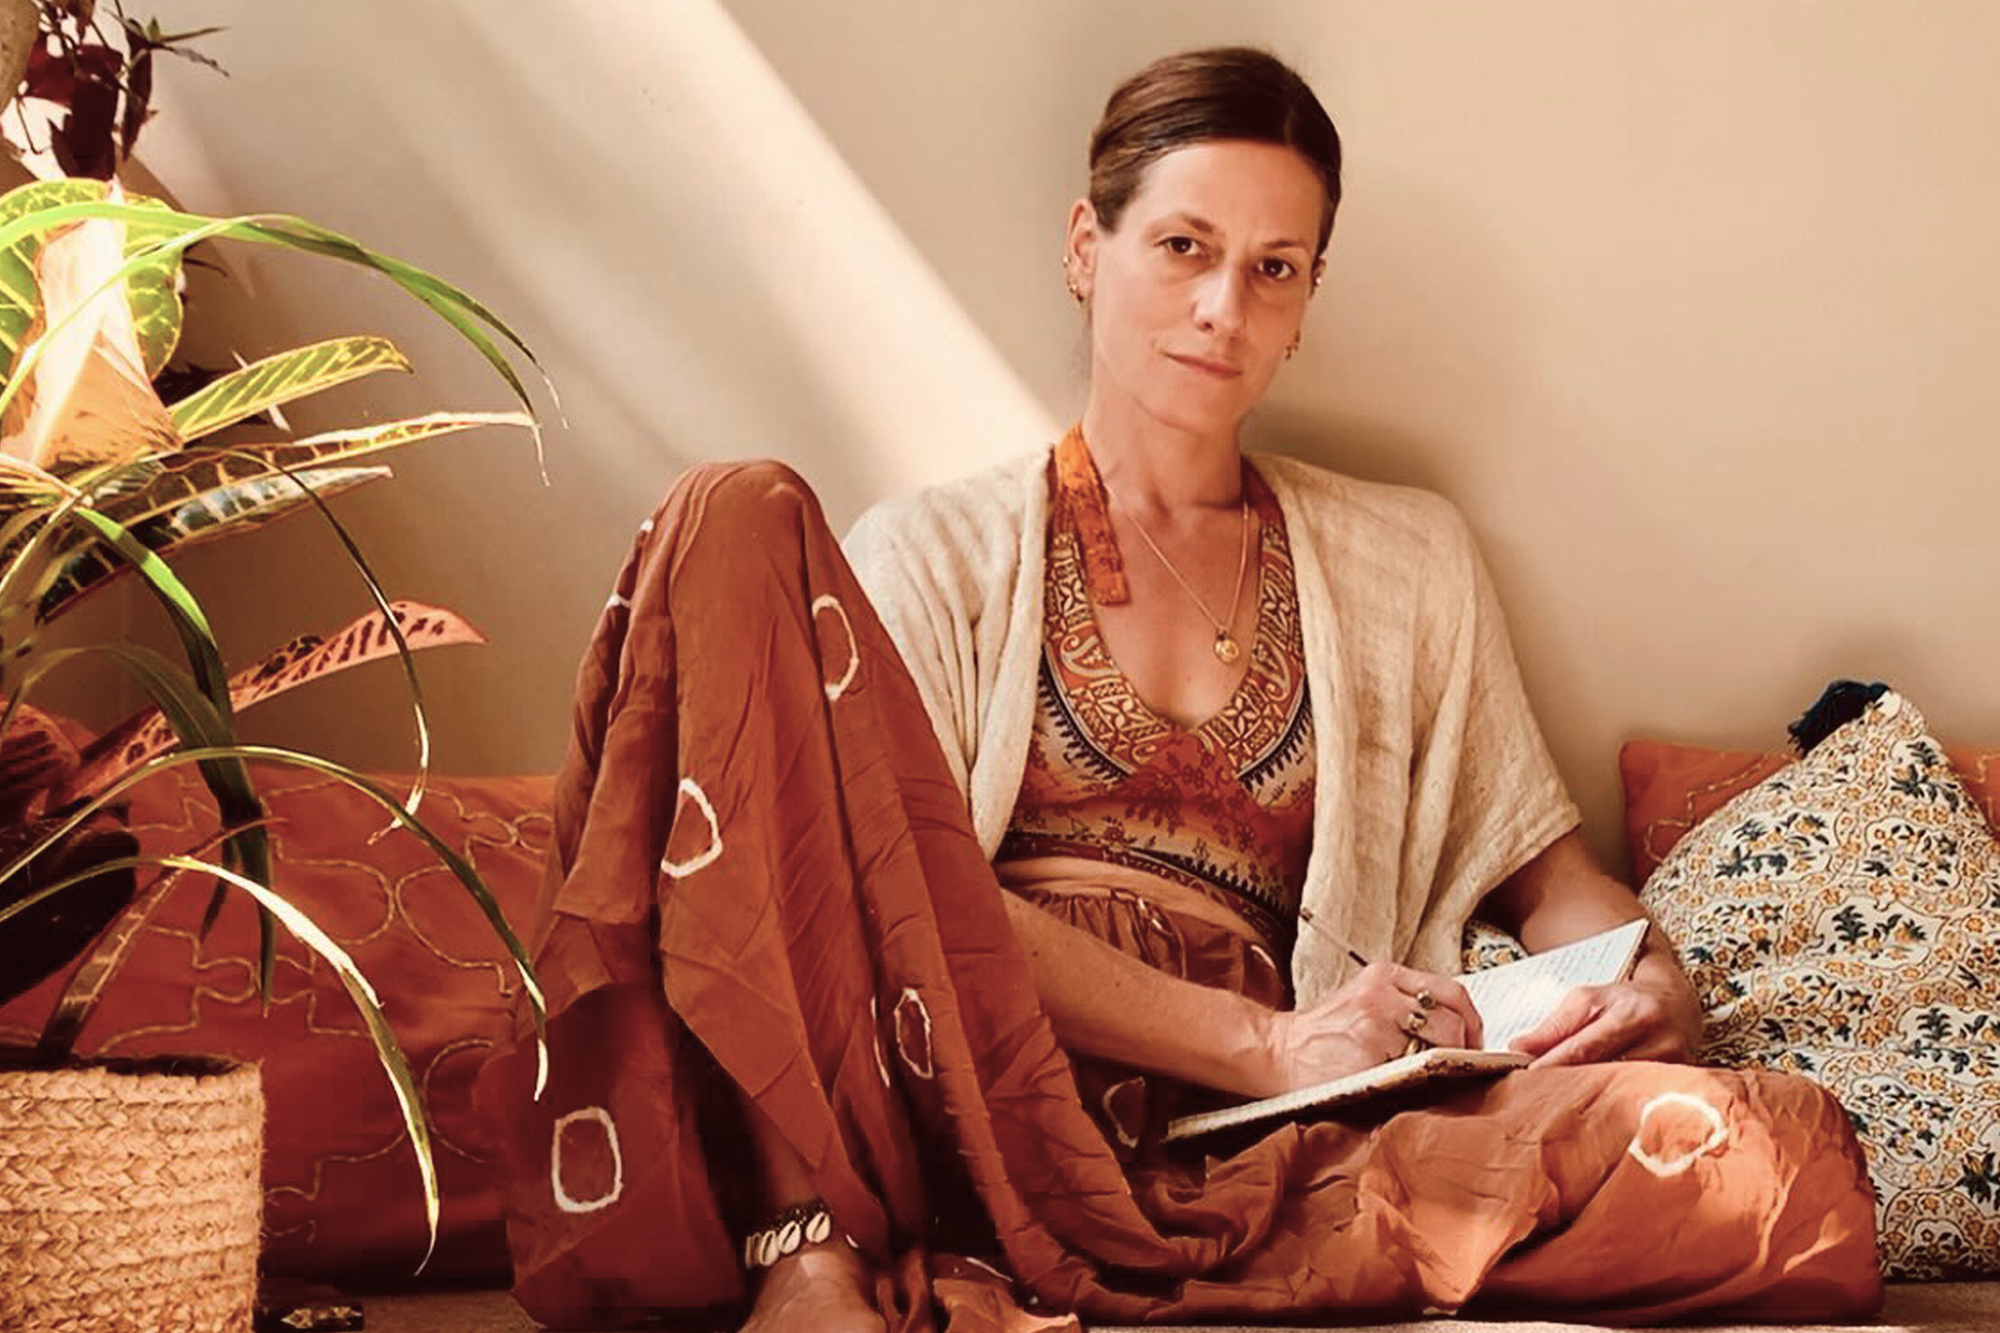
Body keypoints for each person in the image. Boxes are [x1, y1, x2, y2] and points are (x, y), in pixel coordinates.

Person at [476, 46, 1880, 1333]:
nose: (1222, 308)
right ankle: (811, 1250)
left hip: (1277, 1149)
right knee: (733, 509)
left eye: (1275, 269)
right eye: (1183, 247)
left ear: (1308, 302)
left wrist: (1650, 976)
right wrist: (1262, 1042)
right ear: (1086, 250)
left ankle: (1172, 1256)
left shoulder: (1407, 562)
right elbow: (881, 901)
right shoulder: (935, 553)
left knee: (1781, 1159)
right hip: (973, 1099)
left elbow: (1547, 874)